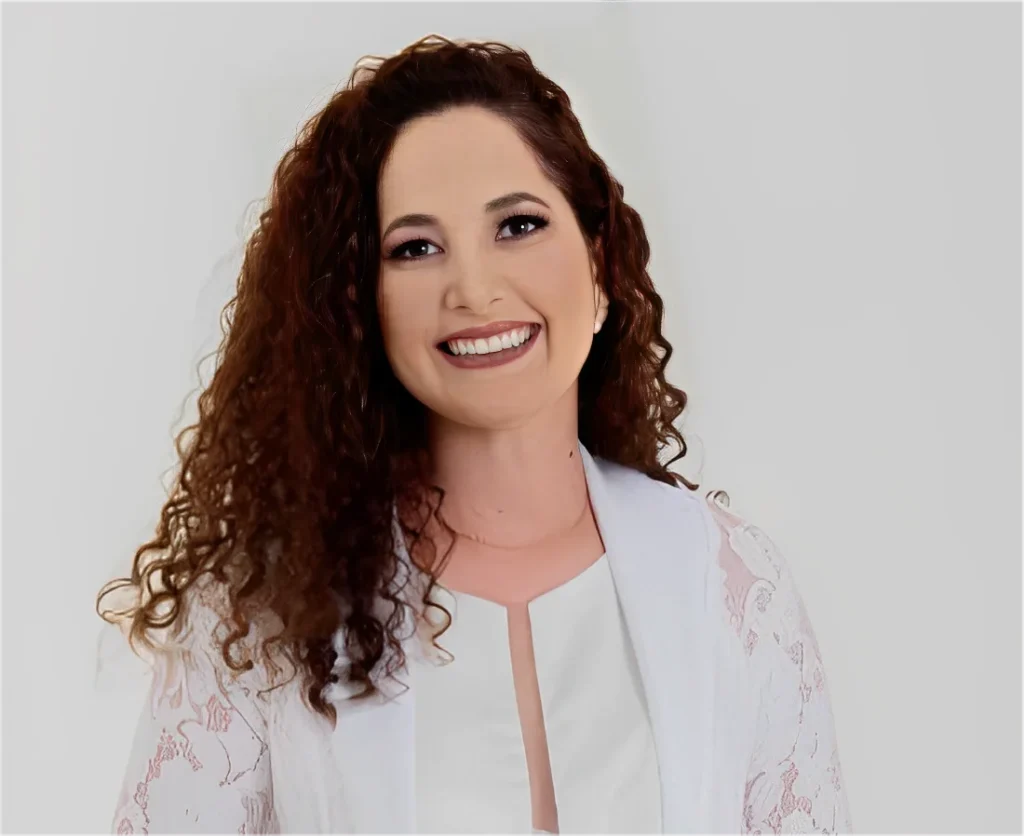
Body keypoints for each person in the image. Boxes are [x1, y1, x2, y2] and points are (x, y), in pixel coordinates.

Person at [98, 34, 852, 836]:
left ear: (599, 265)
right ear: (360, 305)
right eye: (416, 248)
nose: (475, 287)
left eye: (518, 225)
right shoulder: (260, 615)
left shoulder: (730, 588)